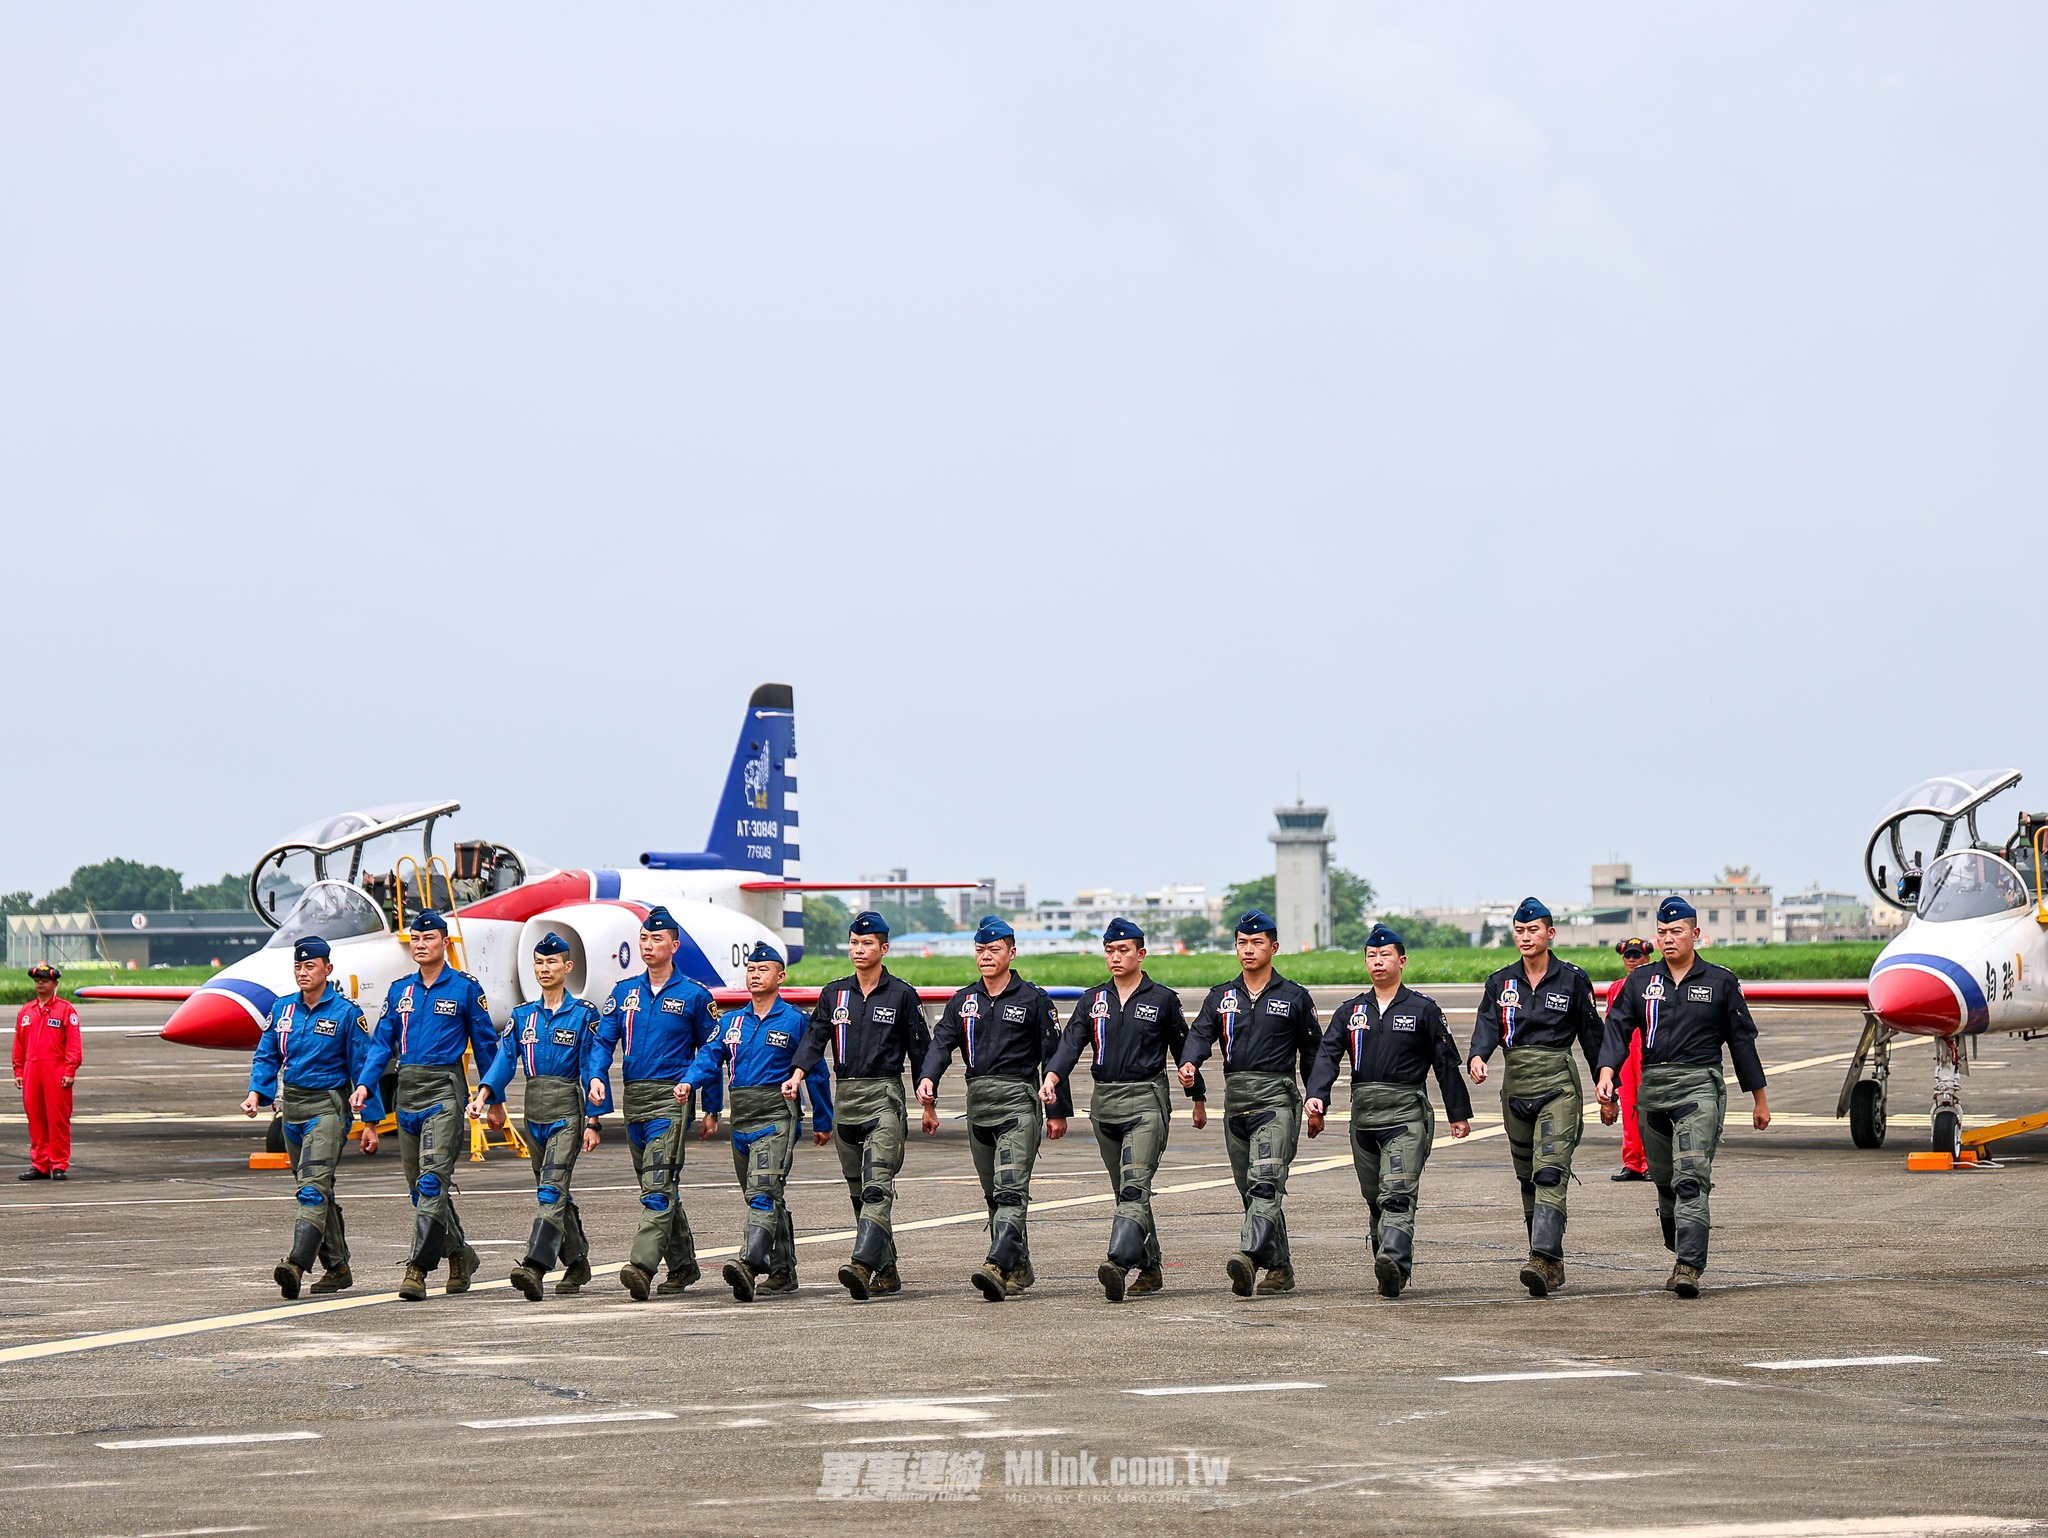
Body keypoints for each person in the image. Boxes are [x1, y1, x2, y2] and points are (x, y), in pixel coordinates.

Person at [1598, 896, 1771, 1298]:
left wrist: (1759, 1100)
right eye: (1662, 932)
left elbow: (1742, 1043)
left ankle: (1688, 1266)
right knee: (1666, 1182)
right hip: (1653, 1091)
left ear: (1696, 935)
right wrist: (1607, 1075)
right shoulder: (1641, 982)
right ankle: (1682, 1246)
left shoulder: (1720, 982)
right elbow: (1617, 1031)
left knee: (1691, 1176)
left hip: (1699, 1086)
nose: (1668, 939)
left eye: (1676, 932)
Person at [1044, 917, 1207, 1303]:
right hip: (1104, 1103)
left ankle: (1117, 1263)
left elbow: (1184, 1052)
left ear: (1140, 954)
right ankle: (1150, 1267)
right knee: (1126, 1193)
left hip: (1146, 1100)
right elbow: (1070, 1044)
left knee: (1134, 1186)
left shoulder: (1162, 999)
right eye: (1110, 951)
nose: (1115, 957)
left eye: (1123, 950)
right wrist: (1051, 1077)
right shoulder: (1093, 1000)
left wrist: (1196, 1097)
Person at [1305, 923, 1472, 1297]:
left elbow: (1446, 1064)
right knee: (1374, 1197)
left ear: (1402, 960)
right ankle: (1389, 1266)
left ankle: (1394, 1261)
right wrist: (1317, 1096)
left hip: (1405, 1115)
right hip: (1363, 1117)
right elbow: (1327, 1057)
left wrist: (1458, 1114)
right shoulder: (1352, 1011)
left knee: (1396, 1193)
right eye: (1371, 955)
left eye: (1384, 955)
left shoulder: (1424, 1010)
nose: (1377, 961)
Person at [918, 916, 1069, 1302]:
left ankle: (997, 1265)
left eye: (994, 950)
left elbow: (1055, 1054)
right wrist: (928, 1080)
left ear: (1011, 953)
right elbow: (941, 1044)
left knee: (1010, 1192)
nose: (986, 956)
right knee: (993, 1194)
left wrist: (1057, 1112)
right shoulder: (963, 1001)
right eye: (980, 950)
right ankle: (1020, 1265)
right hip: (978, 1103)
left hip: (1019, 1102)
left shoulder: (1033, 999)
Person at [785, 909, 932, 1301]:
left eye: (867, 943)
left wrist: (927, 1100)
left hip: (884, 1098)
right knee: (857, 1190)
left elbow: (921, 1051)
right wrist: (797, 1076)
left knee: (876, 1188)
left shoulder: (902, 994)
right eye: (854, 942)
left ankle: (862, 1264)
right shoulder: (835, 994)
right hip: (845, 1099)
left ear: (884, 948)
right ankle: (886, 1270)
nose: (859, 949)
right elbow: (815, 1039)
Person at [353, 909, 497, 1302]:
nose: (420, 945)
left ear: (444, 943)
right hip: (408, 1092)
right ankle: (460, 1254)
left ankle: (418, 1268)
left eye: (428, 939)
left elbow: (486, 1046)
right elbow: (382, 1043)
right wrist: (366, 1085)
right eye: (415, 939)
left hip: (444, 1091)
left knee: (433, 1181)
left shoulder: (465, 988)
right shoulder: (400, 990)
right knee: (421, 1191)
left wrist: (493, 1099)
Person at [586, 905, 723, 1302]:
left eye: (656, 939)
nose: (648, 945)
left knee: (657, 1186)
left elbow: (712, 1049)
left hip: (672, 1098)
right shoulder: (624, 992)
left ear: (674, 946)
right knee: (658, 1186)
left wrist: (700, 1093)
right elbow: (602, 1040)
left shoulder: (695, 996)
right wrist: (597, 1077)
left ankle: (641, 1266)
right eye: (644, 938)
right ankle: (683, 1265)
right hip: (635, 1098)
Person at [1468, 896, 1604, 1297]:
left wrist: (1606, 1083)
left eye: (1533, 930)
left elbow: (1592, 1035)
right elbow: (1487, 1024)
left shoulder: (1572, 979)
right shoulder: (1500, 981)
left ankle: (1540, 1256)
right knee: (1528, 1178)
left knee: (1549, 1171)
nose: (1525, 937)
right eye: (1519, 931)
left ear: (1550, 933)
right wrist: (1478, 1055)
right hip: (1515, 1086)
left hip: (1558, 1085)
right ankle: (1550, 1261)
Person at [1179, 910, 1318, 1297]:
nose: (1248, 949)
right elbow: (1200, 1034)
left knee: (1265, 1185)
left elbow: (1313, 1054)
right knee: (1251, 1190)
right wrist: (1190, 1063)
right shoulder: (1221, 996)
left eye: (1257, 943)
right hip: (1235, 1100)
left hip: (1276, 1099)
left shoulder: (1294, 997)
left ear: (1274, 947)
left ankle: (1250, 1257)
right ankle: (1280, 1266)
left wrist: (1315, 1098)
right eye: (1242, 942)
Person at [687, 941, 831, 1302]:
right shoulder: (731, 1022)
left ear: (781, 977)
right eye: (751, 969)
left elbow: (816, 1071)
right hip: (742, 1119)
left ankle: (749, 1265)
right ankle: (782, 1271)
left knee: (762, 1194)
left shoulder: (797, 1021)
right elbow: (710, 1057)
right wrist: (689, 1082)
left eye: (763, 969)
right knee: (766, 1198)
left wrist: (823, 1119)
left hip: (776, 1116)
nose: (755, 974)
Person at [467, 931, 604, 1302]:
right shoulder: (522, 1016)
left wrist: (593, 1120)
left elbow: (593, 1064)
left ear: (567, 967)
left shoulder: (583, 1015)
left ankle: (535, 1266)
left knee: (550, 1190)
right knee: (554, 1192)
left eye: (552, 962)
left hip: (566, 1112)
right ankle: (577, 1262)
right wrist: (483, 1095)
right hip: (534, 1113)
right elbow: (503, 1061)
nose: (545, 968)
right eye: (539, 963)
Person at [243, 936, 381, 1298]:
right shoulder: (283, 1009)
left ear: (327, 969)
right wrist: (256, 1092)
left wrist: (370, 1121)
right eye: (298, 966)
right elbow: (267, 1054)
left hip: (327, 1108)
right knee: (319, 1192)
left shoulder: (347, 1014)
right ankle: (337, 1267)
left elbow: (364, 1068)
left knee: (312, 1189)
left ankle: (296, 1264)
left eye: (311, 966)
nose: (303, 972)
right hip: (293, 1109)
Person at [14, 964, 81, 1182]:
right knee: (36, 1119)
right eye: (37, 980)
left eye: (44, 980)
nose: (40, 984)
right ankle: (40, 1164)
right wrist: (18, 1069)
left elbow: (73, 1044)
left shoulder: (66, 1010)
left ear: (55, 984)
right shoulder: (26, 1011)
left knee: (57, 1120)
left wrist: (70, 1070)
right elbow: (19, 1043)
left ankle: (59, 1164)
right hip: (32, 1070)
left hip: (56, 1071)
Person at [1608, 938, 1656, 1182]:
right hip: (1625, 1053)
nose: (1633, 960)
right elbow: (1611, 1027)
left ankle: (1651, 1162)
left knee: (1649, 1108)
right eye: (1628, 956)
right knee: (1629, 1108)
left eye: (1637, 955)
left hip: (1647, 1050)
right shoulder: (1615, 989)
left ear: (1647, 957)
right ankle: (1632, 1162)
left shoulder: (1655, 984)